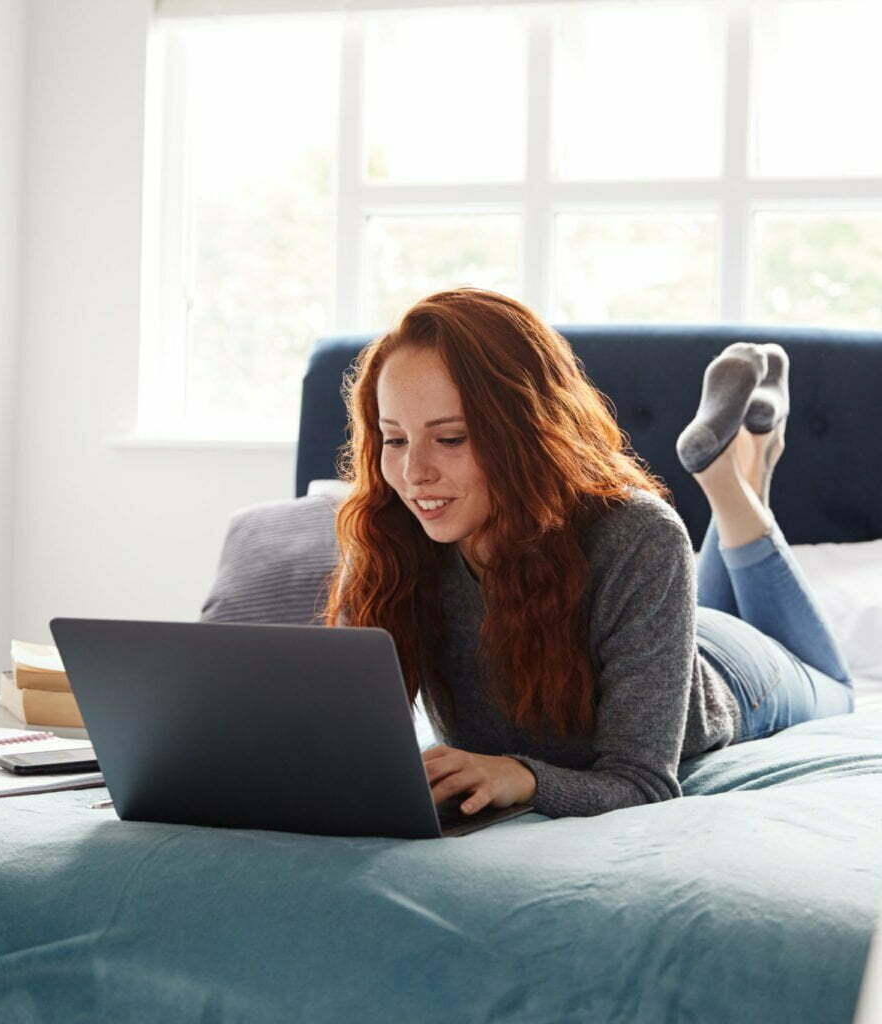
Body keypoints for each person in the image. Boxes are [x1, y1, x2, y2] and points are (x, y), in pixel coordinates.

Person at [323, 288, 853, 820]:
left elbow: (642, 783)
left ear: (529, 431)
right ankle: (750, 461)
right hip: (656, 622)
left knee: (838, 689)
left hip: (735, 674)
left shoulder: (638, 534)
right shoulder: (388, 534)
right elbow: (341, 743)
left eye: (452, 439)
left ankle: (732, 482)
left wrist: (525, 777)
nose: (414, 475)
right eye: (393, 440)